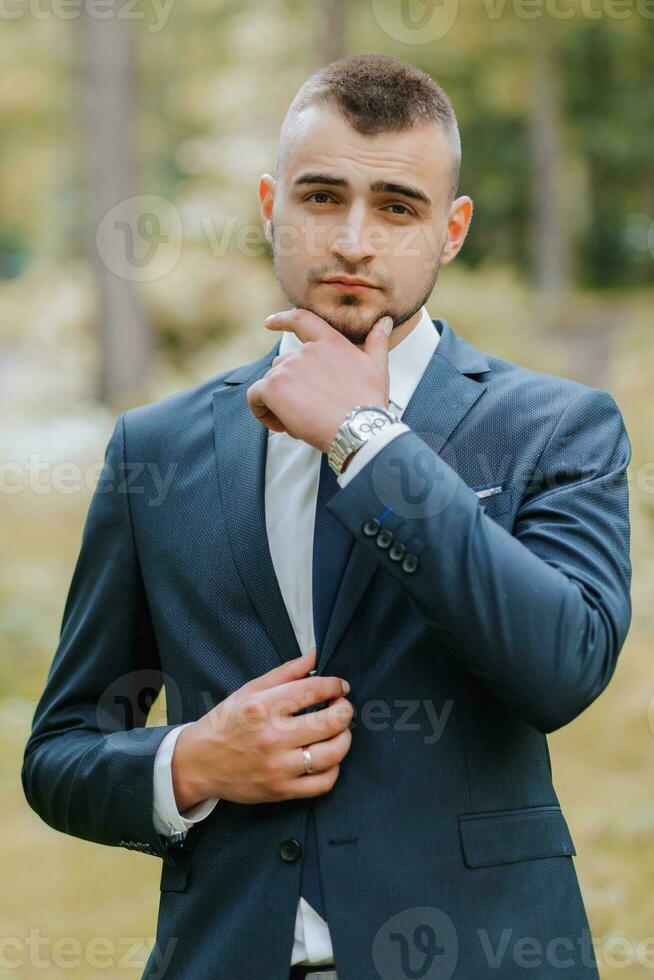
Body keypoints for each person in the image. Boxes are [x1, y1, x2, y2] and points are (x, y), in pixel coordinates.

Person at [22, 54, 631, 980]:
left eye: (397, 206)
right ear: (271, 203)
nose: (353, 240)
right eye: (320, 197)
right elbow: (60, 753)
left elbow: (561, 669)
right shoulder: (155, 447)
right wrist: (189, 764)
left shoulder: (557, 427)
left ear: (452, 228)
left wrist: (368, 440)